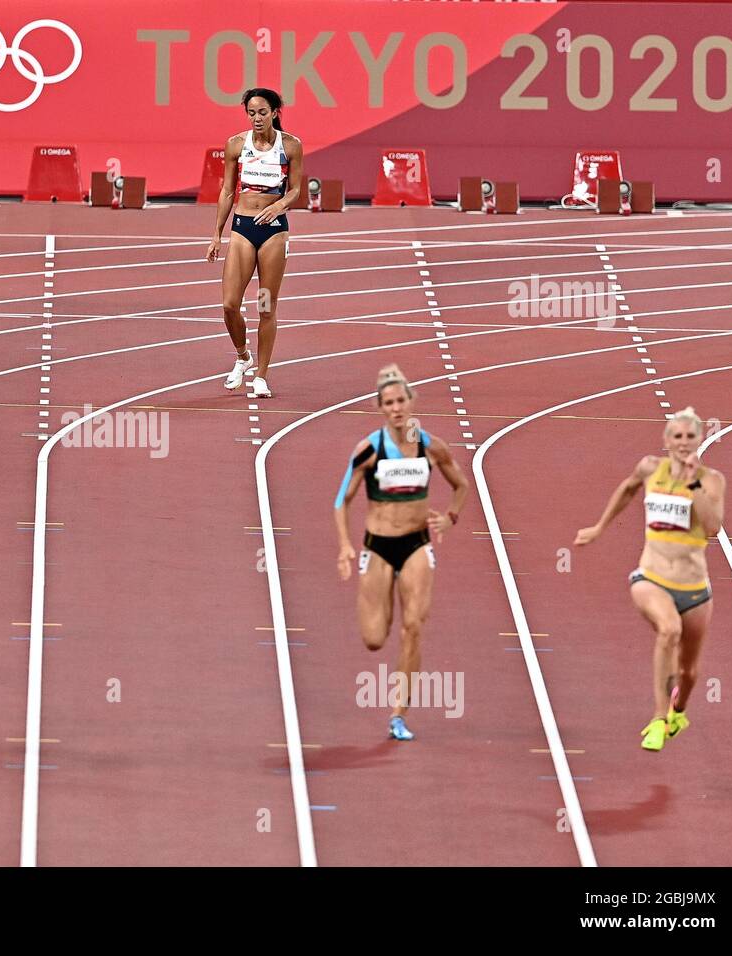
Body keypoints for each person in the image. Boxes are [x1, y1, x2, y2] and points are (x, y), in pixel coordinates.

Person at [574, 408, 724, 751]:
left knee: (689, 673)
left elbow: (713, 527)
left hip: (695, 590)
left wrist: (693, 483)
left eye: (690, 436)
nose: (684, 443)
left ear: (700, 439)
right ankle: (658, 718)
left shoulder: (712, 480)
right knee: (668, 630)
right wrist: (599, 527)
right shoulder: (649, 468)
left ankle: (678, 711)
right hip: (651, 577)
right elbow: (627, 489)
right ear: (666, 440)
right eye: (677, 436)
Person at [334, 364, 469, 740]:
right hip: (378, 546)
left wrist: (450, 518)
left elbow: (461, 484)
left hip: (416, 544)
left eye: (401, 400)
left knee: (414, 628)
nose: (396, 408)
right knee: (375, 638)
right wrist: (345, 545)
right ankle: (386, 593)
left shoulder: (431, 446)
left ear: (412, 402)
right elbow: (340, 502)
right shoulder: (369, 450)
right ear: (380, 408)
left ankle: (398, 714)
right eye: (388, 403)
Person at [205, 87, 304, 399]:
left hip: (273, 231)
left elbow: (296, 189)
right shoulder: (236, 144)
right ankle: (242, 356)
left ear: (275, 112)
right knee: (229, 303)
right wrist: (217, 234)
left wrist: (279, 205)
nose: (257, 118)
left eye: (263, 112)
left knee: (265, 306)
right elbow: (227, 191)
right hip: (243, 227)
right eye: (251, 113)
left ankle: (262, 374)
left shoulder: (290, 145)